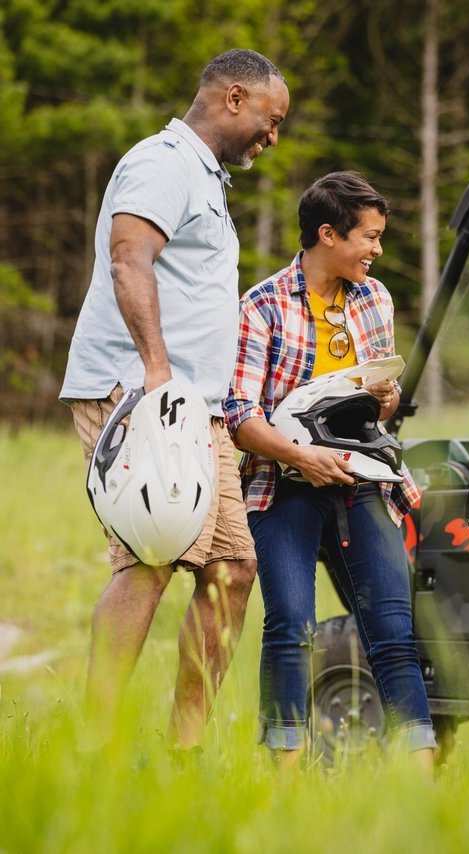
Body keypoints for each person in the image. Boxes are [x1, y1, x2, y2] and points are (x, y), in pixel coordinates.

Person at [60, 49, 289, 752]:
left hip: (197, 409)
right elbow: (129, 256)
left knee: (232, 568)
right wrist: (156, 374)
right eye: (270, 120)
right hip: (140, 394)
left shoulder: (206, 179)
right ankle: (94, 749)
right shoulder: (162, 162)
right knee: (151, 560)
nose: (272, 137)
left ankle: (182, 753)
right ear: (233, 98)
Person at [224, 171, 436, 768]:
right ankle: (285, 774)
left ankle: (418, 780)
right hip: (283, 484)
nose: (377, 250)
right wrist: (299, 457)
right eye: (368, 237)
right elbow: (240, 414)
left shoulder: (375, 299)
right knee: (290, 624)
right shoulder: (261, 306)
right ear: (328, 234)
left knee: (393, 629)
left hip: (360, 481)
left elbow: (374, 399)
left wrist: (386, 400)